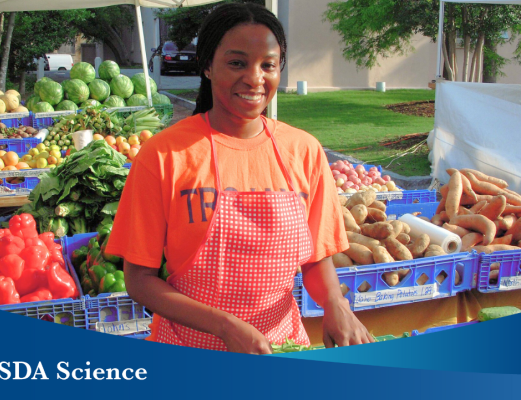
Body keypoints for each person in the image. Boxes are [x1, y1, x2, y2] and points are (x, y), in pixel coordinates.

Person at [106, 2, 373, 354]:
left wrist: (336, 304)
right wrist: (224, 326)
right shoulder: (164, 155)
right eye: (237, 63)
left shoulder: (304, 151)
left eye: (268, 65)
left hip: (280, 347)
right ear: (207, 67)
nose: (254, 78)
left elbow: (316, 257)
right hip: (190, 351)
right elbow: (139, 280)